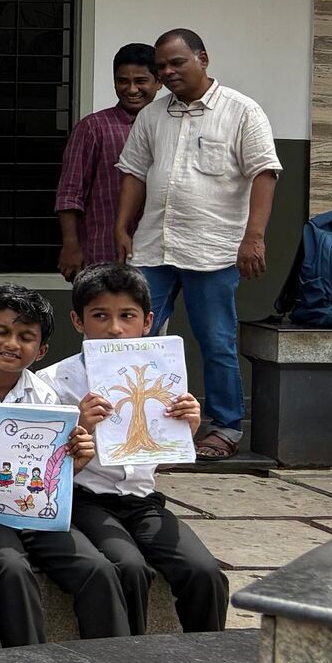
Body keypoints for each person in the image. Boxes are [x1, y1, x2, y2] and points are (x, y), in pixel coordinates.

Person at [19, 263, 230, 634]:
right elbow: (41, 469)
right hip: (84, 500)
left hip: (142, 500)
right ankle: (127, 659)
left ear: (147, 322)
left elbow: (161, 462)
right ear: (78, 321)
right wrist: (82, 427)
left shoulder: (162, 374)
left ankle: (207, 656)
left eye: (127, 316)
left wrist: (187, 431)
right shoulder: (53, 383)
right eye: (100, 316)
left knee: (204, 571)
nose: (114, 328)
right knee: (128, 567)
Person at [115, 29, 281, 460]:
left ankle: (224, 427)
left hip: (213, 249)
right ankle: (131, 427)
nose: (168, 72)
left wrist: (254, 237)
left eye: (177, 63)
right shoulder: (152, 116)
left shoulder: (242, 111)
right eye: (162, 67)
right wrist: (122, 226)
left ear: (202, 58)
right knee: (132, 337)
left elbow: (264, 173)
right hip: (153, 246)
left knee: (216, 342)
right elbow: (133, 172)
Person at [0, 285, 130, 643]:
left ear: (41, 350)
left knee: (97, 568)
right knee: (11, 567)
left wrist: (76, 461)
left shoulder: (47, 396)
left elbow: (53, 467)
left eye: (26, 337)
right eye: (1, 332)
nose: (12, 344)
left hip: (37, 509)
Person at [55, 43, 160, 281]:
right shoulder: (94, 128)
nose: (131, 89)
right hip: (103, 250)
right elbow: (70, 193)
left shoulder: (169, 127)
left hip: (157, 254)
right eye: (123, 81)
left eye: (141, 81)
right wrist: (71, 245)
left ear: (158, 81)